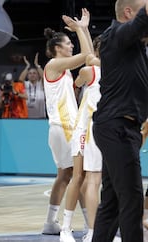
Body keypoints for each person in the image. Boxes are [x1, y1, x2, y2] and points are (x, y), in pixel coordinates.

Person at [92, 0, 148, 241]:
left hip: (121, 127)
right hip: (116, 128)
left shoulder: (132, 48)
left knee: (113, 200)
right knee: (132, 197)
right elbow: (142, 21)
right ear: (129, 13)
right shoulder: (115, 34)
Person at [41, 9, 91, 237]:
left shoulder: (61, 68)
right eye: (68, 43)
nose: (71, 45)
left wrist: (83, 29)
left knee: (68, 176)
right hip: (63, 129)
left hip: (65, 128)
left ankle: (53, 222)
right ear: (57, 48)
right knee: (75, 175)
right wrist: (81, 29)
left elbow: (88, 57)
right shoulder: (53, 65)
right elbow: (87, 56)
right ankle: (88, 224)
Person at [76, 37, 102, 242]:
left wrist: (81, 29)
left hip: (94, 126)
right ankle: (94, 229)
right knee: (94, 181)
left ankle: (93, 231)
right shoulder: (120, 68)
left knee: (91, 180)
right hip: (114, 126)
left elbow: (87, 58)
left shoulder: (91, 70)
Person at [19, 54, 47, 119]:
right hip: (27, 117)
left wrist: (37, 65)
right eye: (30, 73)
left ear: (38, 75)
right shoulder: (26, 84)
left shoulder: (40, 84)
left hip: (41, 117)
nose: (32, 75)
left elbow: (44, 77)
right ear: (27, 75)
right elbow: (20, 80)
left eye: (34, 73)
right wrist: (27, 67)